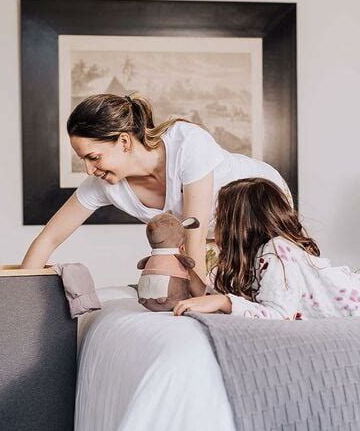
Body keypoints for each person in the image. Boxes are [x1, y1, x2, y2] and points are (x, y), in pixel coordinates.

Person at [21, 93, 291, 287]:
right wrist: (22, 298)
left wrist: (197, 304)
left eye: (93, 157)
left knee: (278, 286)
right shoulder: (104, 185)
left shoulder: (187, 144)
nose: (89, 169)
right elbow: (49, 239)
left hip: (264, 205)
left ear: (124, 141)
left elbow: (192, 240)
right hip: (216, 236)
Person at [173, 178, 360, 319]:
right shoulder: (256, 259)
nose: (214, 228)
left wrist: (225, 302)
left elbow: (279, 315)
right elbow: (221, 304)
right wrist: (186, 269)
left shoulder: (277, 250)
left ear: (239, 225)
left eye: (220, 219)